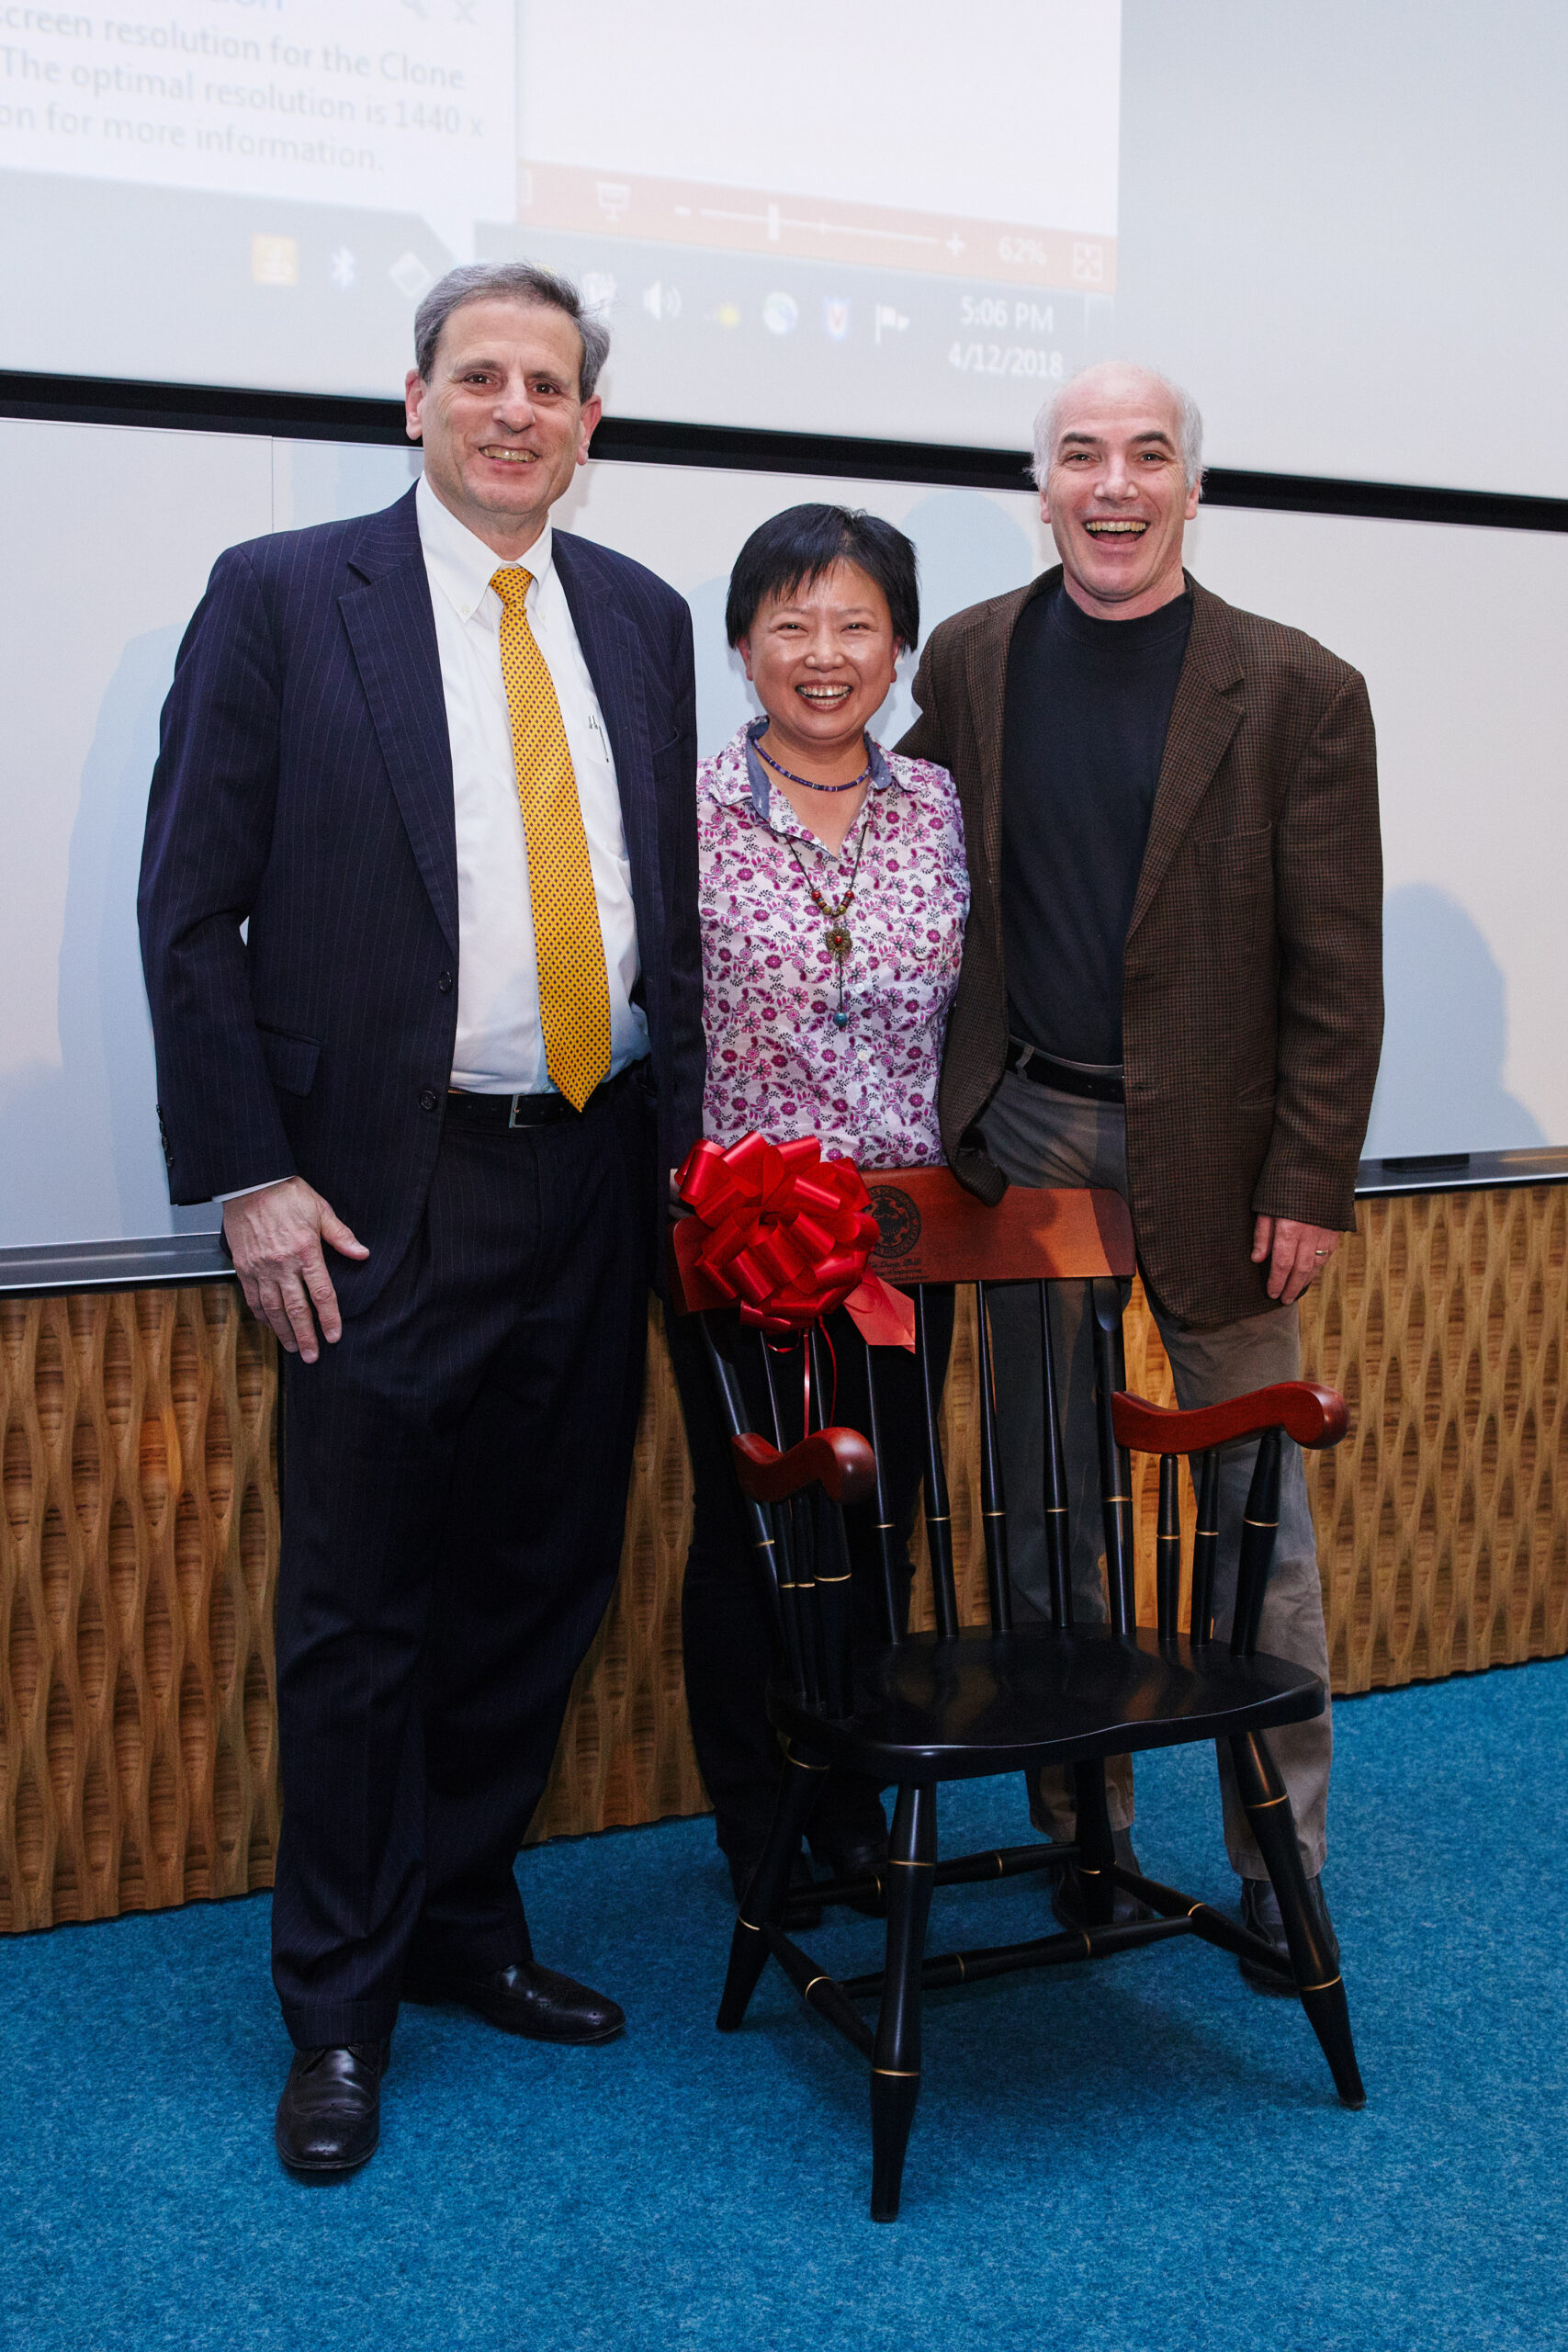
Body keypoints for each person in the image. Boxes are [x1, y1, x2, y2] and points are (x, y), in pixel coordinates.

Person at [139, 261, 703, 2176]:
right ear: (414, 400)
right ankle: (342, 2006)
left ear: (587, 425)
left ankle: (466, 1923)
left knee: (539, 1581)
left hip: (592, 1167)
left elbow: (658, 914)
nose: (514, 409)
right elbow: (187, 906)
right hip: (378, 1190)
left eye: (549, 383)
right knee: (361, 1611)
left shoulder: (635, 613)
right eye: (482, 375)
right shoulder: (286, 596)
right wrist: (251, 1171)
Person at [899, 362, 1382, 1978]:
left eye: (1149, 457)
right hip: (1026, 1138)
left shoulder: (1299, 687)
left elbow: (1336, 969)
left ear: (1192, 488)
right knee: (1049, 1511)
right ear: (1040, 486)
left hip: (1231, 1158)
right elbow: (900, 861)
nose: (1115, 486)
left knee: (1261, 1521)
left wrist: (1311, 1173)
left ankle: (1276, 1859)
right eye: (1083, 456)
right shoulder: (969, 658)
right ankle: (1080, 1830)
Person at [664, 505, 968, 1910]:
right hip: (738, 1240)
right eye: (792, 623)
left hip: (906, 1242)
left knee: (876, 1518)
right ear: (744, 646)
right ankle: (757, 1819)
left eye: (856, 623)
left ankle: (851, 1799)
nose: (825, 653)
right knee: (754, 1531)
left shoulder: (944, 808)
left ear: (899, 646)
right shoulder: (682, 813)